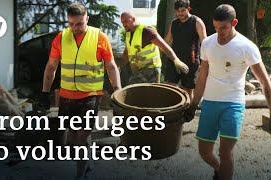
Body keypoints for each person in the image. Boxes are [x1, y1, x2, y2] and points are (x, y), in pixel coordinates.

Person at [184, 4, 271, 180]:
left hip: (233, 104)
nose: (219, 32)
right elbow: (202, 76)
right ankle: (219, 171)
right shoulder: (208, 43)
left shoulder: (247, 47)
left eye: (223, 27)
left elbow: (264, 82)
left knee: (225, 153)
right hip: (209, 102)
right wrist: (194, 104)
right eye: (215, 27)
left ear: (234, 23)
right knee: (204, 152)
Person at [40, 3, 122, 179]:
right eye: (71, 24)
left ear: (87, 19)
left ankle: (80, 173)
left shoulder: (99, 37)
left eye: (79, 24)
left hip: (90, 96)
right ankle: (86, 164)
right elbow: (51, 67)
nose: (75, 28)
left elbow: (111, 66)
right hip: (66, 97)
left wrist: (117, 90)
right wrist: (45, 92)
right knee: (71, 137)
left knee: (82, 137)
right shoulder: (61, 38)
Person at [120, 11, 189, 85]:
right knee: (144, 94)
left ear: (133, 19)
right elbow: (127, 52)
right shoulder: (128, 34)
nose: (124, 24)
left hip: (151, 69)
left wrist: (176, 60)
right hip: (139, 71)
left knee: (132, 87)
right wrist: (118, 66)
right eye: (122, 22)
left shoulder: (147, 31)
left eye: (126, 21)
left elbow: (164, 47)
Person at [165, 0, 207, 101]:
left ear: (188, 9)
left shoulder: (197, 22)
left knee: (188, 90)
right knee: (169, 87)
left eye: (183, 10)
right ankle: (172, 112)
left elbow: (205, 43)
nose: (180, 13)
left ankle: (188, 114)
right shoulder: (174, 23)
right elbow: (166, 41)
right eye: (178, 11)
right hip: (174, 60)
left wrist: (204, 62)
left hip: (191, 61)